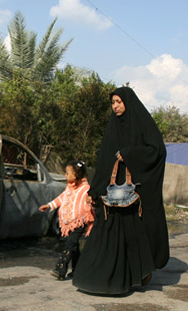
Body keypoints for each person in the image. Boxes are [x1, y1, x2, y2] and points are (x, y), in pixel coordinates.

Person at [73, 86, 169, 295]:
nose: (115, 106)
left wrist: (130, 154)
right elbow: (104, 161)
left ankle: (135, 276)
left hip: (131, 196)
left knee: (133, 238)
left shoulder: (142, 123)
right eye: (112, 103)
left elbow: (157, 151)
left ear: (128, 102)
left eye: (118, 102)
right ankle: (102, 280)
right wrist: (94, 191)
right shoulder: (112, 128)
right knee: (108, 236)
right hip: (110, 195)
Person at [39, 160, 94, 280]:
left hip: (79, 221)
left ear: (76, 175)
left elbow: (91, 200)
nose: (65, 175)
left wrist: (91, 200)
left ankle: (60, 269)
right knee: (73, 247)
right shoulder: (69, 189)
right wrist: (49, 205)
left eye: (67, 173)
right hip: (69, 222)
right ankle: (77, 270)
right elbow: (61, 199)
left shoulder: (85, 189)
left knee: (70, 244)